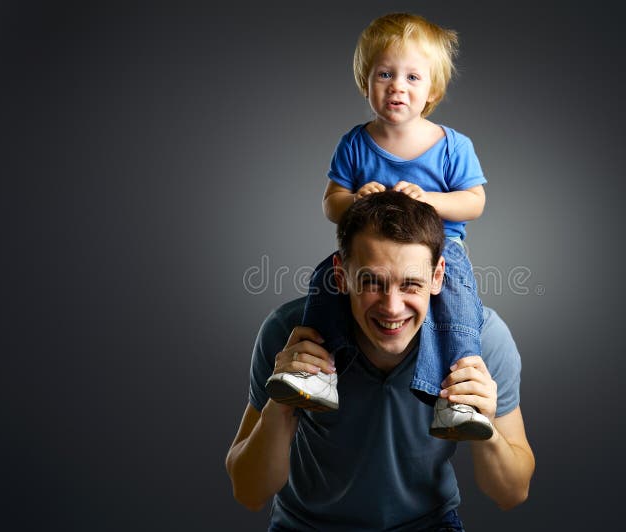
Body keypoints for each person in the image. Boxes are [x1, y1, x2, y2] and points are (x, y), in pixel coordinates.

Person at [226, 192, 535, 531]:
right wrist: (280, 407)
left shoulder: (482, 341)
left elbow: (512, 493)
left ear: (437, 277)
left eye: (411, 285)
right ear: (341, 276)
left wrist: (486, 429)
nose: (392, 307)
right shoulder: (289, 332)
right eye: (372, 282)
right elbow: (249, 492)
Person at [265, 12, 493, 440]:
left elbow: (475, 202)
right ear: (365, 83)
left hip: (442, 250)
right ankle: (318, 372)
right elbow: (331, 204)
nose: (397, 87)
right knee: (326, 279)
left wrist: (430, 200)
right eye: (385, 74)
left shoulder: (451, 146)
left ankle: (459, 396)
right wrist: (355, 200)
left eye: (412, 77)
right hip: (371, 253)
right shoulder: (355, 142)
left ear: (432, 89)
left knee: (458, 298)